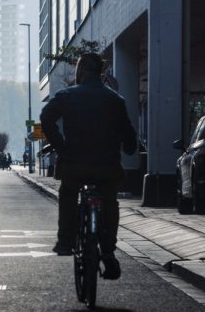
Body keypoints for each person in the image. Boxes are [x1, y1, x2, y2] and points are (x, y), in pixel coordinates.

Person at [40, 52, 137, 279]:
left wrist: (60, 146)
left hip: (75, 164)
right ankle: (109, 251)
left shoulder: (67, 96)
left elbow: (46, 117)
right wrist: (130, 147)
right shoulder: (115, 100)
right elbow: (127, 131)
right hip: (107, 166)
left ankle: (65, 240)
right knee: (110, 201)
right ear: (100, 72)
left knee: (68, 194)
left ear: (81, 71)